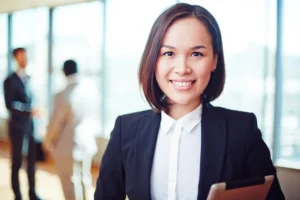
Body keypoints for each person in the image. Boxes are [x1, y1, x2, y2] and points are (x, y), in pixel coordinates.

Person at [94, 3, 285, 200]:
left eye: (196, 54)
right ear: (154, 60)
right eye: (169, 53)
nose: (182, 68)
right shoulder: (126, 131)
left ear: (214, 60)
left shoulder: (242, 130)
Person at [45, 60, 97, 200]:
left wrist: (47, 141)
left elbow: (56, 123)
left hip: (68, 146)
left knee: (70, 184)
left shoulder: (62, 95)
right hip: (86, 142)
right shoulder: (89, 91)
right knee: (84, 179)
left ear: (64, 72)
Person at [3, 47, 42, 200]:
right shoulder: (9, 80)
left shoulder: (30, 78)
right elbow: (10, 105)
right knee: (17, 162)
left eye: (26, 56)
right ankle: (17, 194)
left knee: (32, 161)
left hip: (31, 127)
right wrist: (29, 111)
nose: (24, 59)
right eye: (21, 57)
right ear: (15, 58)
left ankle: (32, 192)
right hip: (17, 127)